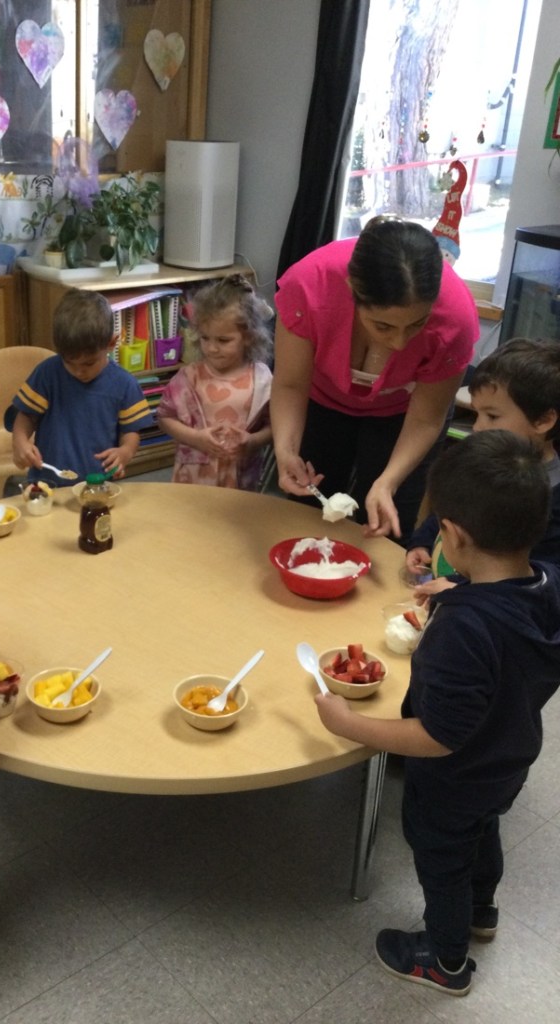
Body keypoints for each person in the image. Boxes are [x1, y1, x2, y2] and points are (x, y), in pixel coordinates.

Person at [315, 430, 560, 997]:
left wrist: (350, 725)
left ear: (454, 534)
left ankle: (445, 960)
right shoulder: (547, 586)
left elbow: (438, 735)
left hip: (453, 776)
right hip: (508, 757)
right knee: (484, 830)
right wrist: (462, 585)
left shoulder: (464, 630)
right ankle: (482, 911)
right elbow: (506, 606)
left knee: (443, 858)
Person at [271, 215, 479, 544]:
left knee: (388, 520)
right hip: (322, 400)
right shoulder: (310, 286)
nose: (399, 343)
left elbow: (426, 419)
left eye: (417, 324)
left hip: (404, 416)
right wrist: (285, 451)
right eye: (383, 326)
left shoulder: (456, 318)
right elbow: (290, 384)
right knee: (309, 508)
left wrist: (388, 482)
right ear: (351, 290)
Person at [407, 337, 560, 589]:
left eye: (492, 416)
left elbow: (542, 582)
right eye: (477, 413)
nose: (477, 427)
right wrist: (421, 543)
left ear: (543, 421)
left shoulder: (552, 499)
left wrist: (465, 591)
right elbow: (447, 512)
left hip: (488, 607)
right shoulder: (477, 464)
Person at [8, 288, 154, 485]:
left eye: (88, 363)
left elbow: (131, 432)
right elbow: (26, 416)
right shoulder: (47, 373)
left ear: (111, 343)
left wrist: (125, 451)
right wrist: (19, 441)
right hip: (48, 481)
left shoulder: (125, 384)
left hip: (99, 483)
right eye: (69, 362)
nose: (79, 371)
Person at [157, 274, 273, 490]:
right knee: (193, 511)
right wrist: (196, 438)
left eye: (223, 340)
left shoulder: (262, 379)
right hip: (195, 476)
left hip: (241, 476)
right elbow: (165, 417)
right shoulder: (189, 377)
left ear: (249, 337)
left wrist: (253, 441)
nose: (211, 348)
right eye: (205, 338)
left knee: (236, 512)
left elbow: (274, 425)